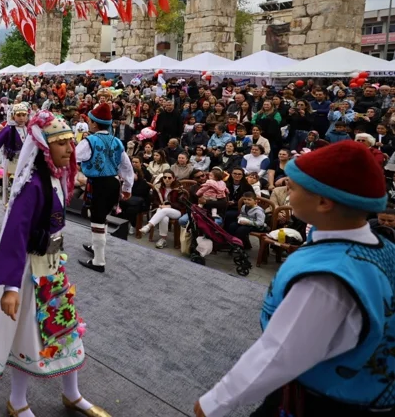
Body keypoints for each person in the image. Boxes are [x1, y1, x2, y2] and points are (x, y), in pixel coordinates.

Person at [195, 140, 394, 417]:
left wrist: (216, 402)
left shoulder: (327, 278)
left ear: (324, 201)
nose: (286, 189)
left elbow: (281, 353)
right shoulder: (384, 248)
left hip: (323, 399)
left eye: (294, 186)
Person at [0, 110, 109, 417]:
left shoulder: (55, 177)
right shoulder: (34, 185)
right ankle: (17, 400)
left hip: (53, 267)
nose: (70, 149)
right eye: (62, 143)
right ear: (44, 147)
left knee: (65, 329)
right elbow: (14, 235)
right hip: (30, 272)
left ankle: (72, 394)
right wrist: (11, 286)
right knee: (28, 334)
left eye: (70, 142)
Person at [76, 102, 135, 273]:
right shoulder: (116, 141)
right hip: (113, 183)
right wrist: (128, 188)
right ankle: (96, 248)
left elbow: (72, 158)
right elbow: (126, 166)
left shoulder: (89, 141)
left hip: (98, 184)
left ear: (94, 123)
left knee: (97, 219)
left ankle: (99, 261)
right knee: (102, 217)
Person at [138, 171, 184, 248]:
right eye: (165, 177)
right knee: (164, 217)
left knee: (163, 211)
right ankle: (163, 239)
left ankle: (149, 226)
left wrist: (169, 206)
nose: (167, 179)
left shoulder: (179, 189)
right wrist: (159, 205)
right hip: (162, 209)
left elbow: (181, 205)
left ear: (173, 179)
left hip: (177, 211)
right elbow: (154, 200)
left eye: (169, 178)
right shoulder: (159, 187)